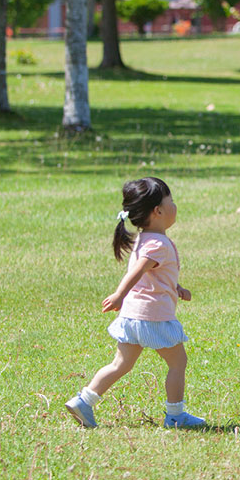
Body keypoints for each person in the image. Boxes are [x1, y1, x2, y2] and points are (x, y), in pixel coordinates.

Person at [65, 177, 207, 428]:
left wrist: (177, 288)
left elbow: (155, 275)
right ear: (158, 211)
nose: (175, 206)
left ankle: (84, 401)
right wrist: (119, 293)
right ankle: (176, 416)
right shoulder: (159, 243)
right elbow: (138, 271)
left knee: (120, 364)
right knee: (178, 362)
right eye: (171, 201)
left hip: (133, 315)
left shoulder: (144, 239)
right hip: (153, 317)